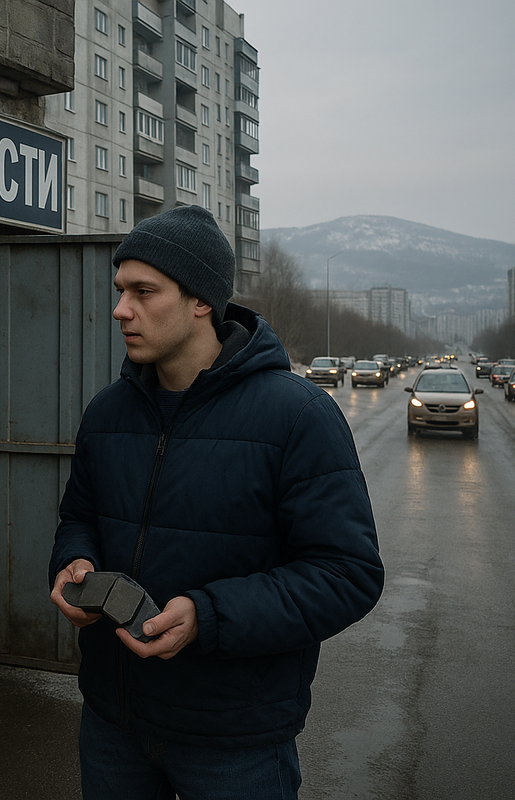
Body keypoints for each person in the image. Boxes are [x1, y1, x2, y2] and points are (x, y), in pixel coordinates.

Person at [48, 206, 383, 800]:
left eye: (144, 291)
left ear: (201, 300)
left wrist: (209, 616)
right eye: (121, 290)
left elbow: (346, 574)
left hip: (236, 740)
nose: (121, 309)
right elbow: (78, 518)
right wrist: (74, 563)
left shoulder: (298, 417)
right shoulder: (107, 412)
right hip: (113, 722)